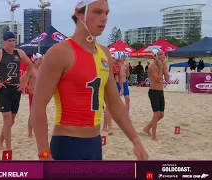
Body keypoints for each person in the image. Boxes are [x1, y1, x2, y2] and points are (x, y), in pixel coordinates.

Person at [30, 0, 148, 160]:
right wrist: (43, 153)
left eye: (106, 13)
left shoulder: (104, 53)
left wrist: (135, 140)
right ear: (79, 13)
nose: (104, 18)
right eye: (97, 12)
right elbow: (38, 104)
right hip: (67, 144)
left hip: (94, 144)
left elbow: (114, 102)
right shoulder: (60, 53)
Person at [0, 31, 33, 151]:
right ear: (4, 42)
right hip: (4, 89)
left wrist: (25, 80)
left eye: (14, 41)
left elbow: (30, 65)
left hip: (16, 88)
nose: (12, 43)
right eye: (9, 41)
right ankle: (8, 149)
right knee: (7, 118)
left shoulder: (20, 53)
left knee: (12, 120)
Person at [143, 49, 170, 141]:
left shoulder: (163, 64)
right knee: (156, 114)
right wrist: (162, 68)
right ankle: (154, 136)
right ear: (154, 56)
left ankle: (147, 128)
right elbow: (158, 79)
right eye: (159, 54)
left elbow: (167, 79)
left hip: (160, 91)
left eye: (162, 54)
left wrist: (164, 68)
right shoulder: (151, 66)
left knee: (161, 115)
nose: (162, 56)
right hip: (153, 91)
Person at [102, 51, 121, 135]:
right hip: (104, 87)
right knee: (108, 108)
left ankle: (104, 126)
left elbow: (116, 77)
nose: (117, 62)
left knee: (108, 108)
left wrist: (118, 88)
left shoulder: (116, 65)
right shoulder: (107, 64)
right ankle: (109, 128)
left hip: (109, 87)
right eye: (116, 60)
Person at [27, 53, 43, 138]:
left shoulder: (41, 69)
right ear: (35, 60)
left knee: (39, 113)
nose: (41, 61)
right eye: (39, 59)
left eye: (41, 59)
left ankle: (37, 131)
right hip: (33, 94)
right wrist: (30, 89)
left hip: (40, 94)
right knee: (32, 114)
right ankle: (30, 133)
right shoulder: (31, 70)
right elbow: (22, 81)